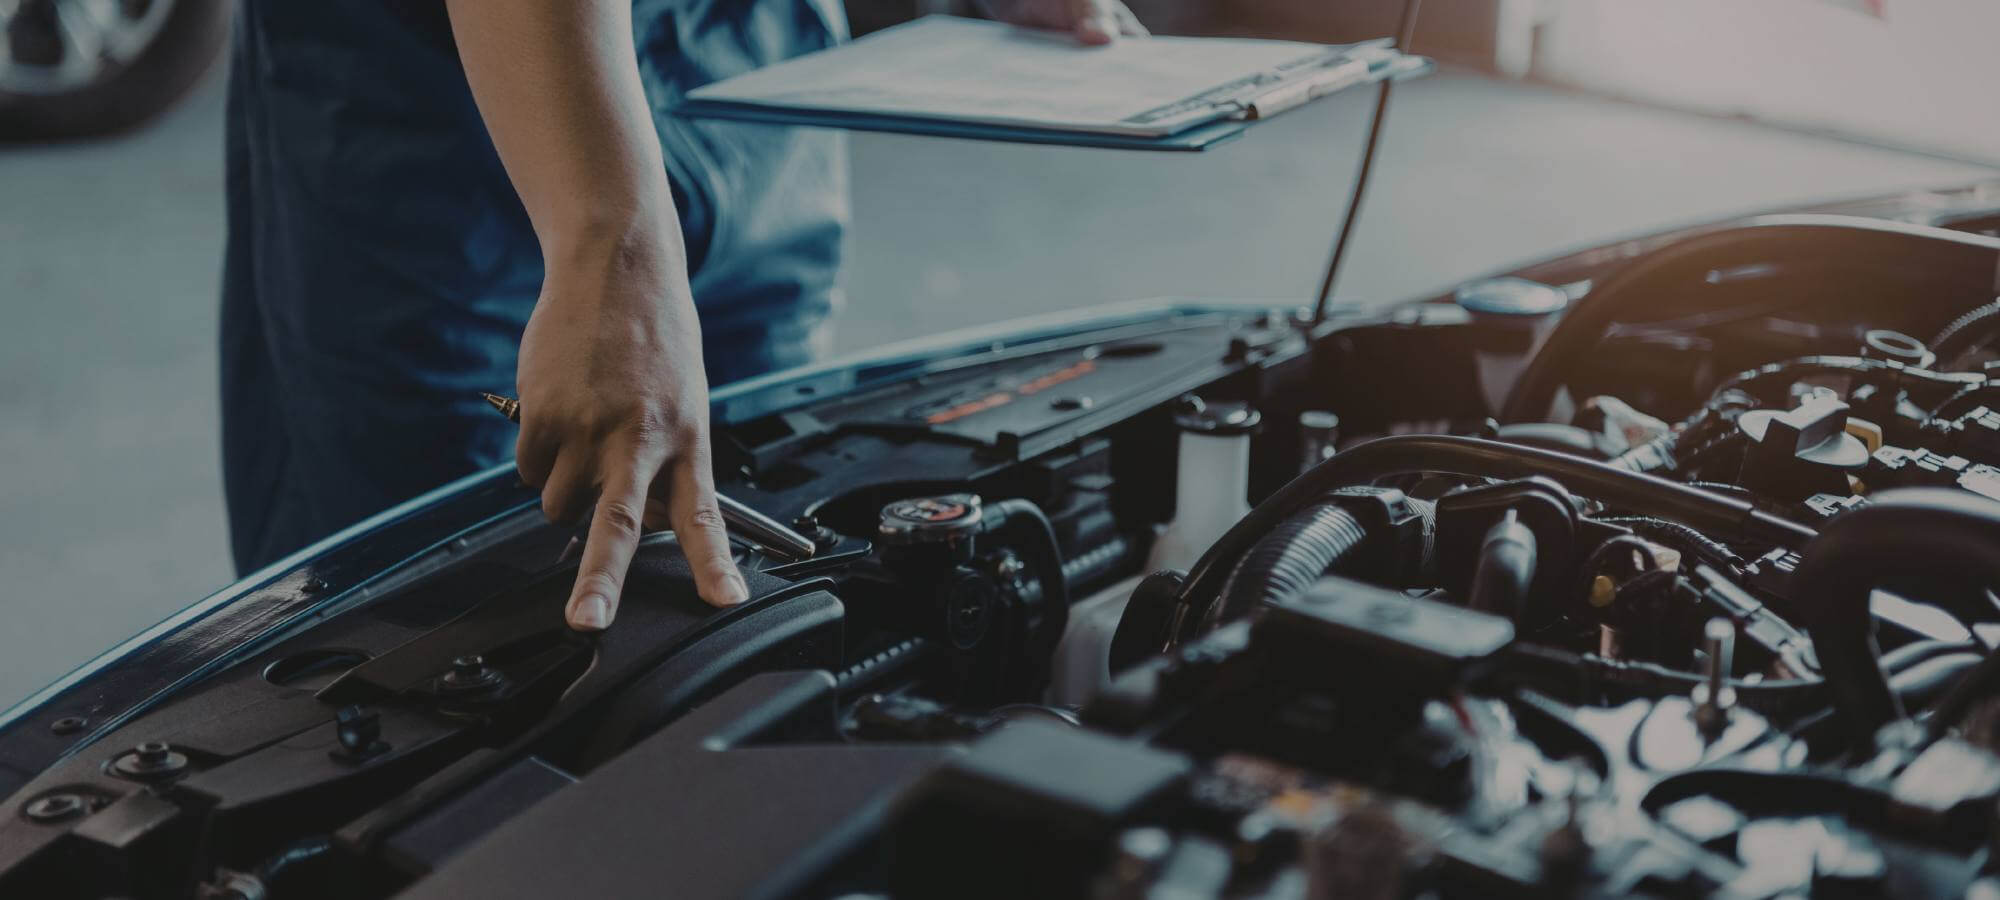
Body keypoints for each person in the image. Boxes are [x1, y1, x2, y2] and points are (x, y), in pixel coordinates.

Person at [220, 0, 1146, 632]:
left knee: (763, 502)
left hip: (748, 48)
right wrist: (610, 244)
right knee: (431, 603)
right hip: (466, 74)